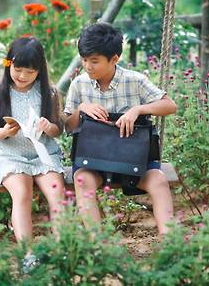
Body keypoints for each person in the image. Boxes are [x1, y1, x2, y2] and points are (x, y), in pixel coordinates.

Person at [63, 23, 178, 235]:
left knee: (159, 181)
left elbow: (170, 105)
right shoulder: (80, 84)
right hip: (95, 161)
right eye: (84, 60)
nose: (88, 66)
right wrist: (81, 109)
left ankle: (169, 242)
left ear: (114, 59)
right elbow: (67, 126)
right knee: (81, 180)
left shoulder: (135, 81)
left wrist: (138, 109)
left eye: (94, 61)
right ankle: (99, 247)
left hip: (134, 160)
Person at [0, 37, 65, 259]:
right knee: (22, 193)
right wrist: (5, 132)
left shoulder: (49, 93)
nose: (22, 76)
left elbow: (59, 128)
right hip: (10, 155)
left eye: (30, 72)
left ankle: (61, 250)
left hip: (43, 156)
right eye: (18, 70)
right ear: (9, 64)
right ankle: (28, 253)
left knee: (57, 193)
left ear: (40, 70)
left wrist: (49, 127)